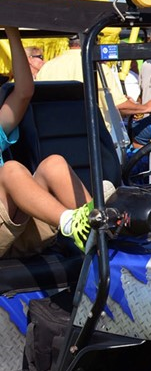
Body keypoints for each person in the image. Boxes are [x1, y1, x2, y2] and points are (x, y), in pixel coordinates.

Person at [0, 27, 96, 256]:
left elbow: (24, 92)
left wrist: (12, 31)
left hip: (17, 224)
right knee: (11, 169)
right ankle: (72, 223)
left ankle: (99, 227)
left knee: (53, 163)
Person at [37, 34, 151, 118]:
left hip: (56, 133)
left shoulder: (48, 66)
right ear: (93, 41)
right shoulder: (98, 68)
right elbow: (118, 105)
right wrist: (145, 107)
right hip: (92, 136)